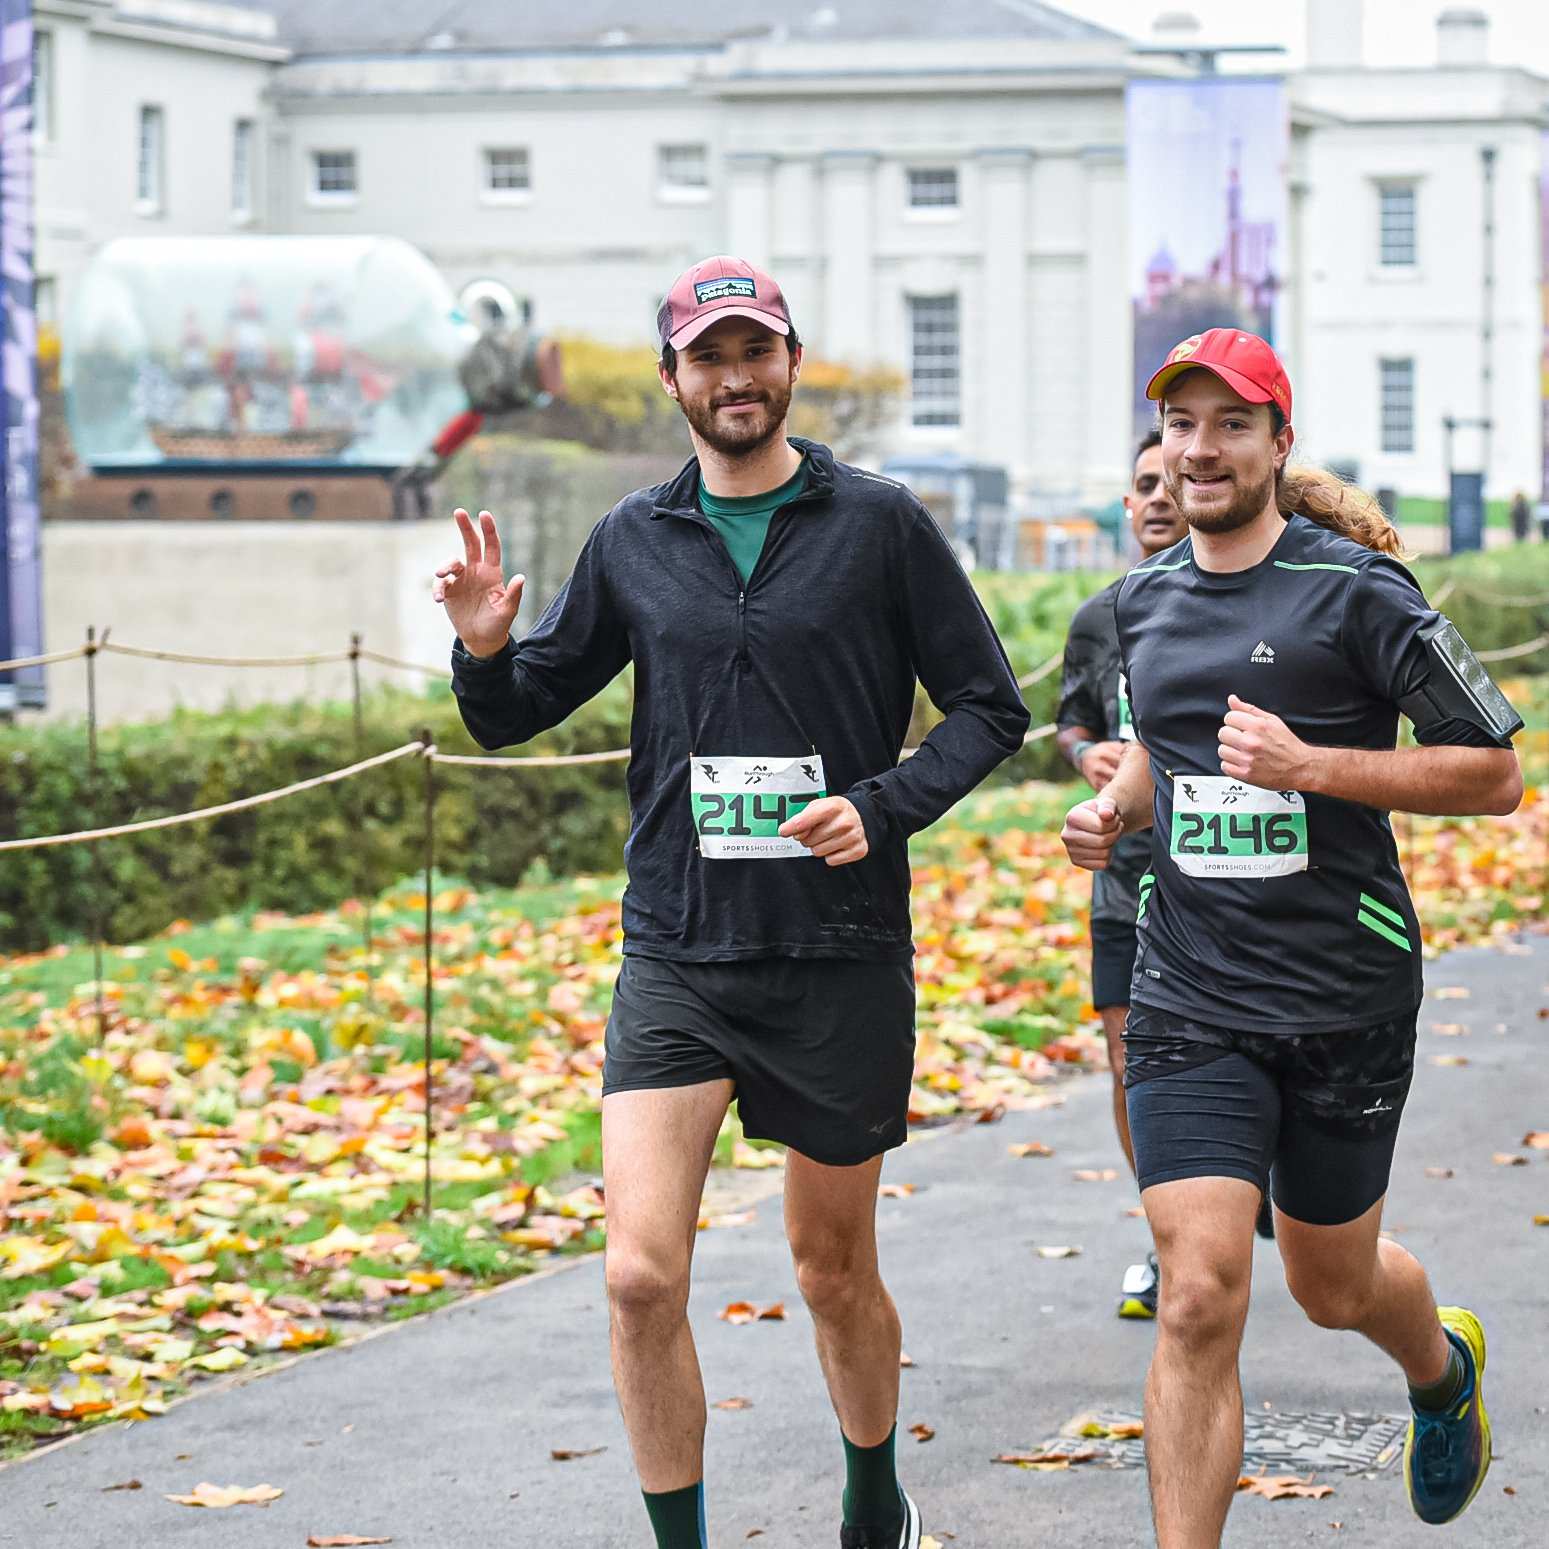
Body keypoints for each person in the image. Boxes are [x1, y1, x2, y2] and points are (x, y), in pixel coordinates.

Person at [435, 255, 1029, 1549]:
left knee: (830, 1271)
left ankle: (875, 1500)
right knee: (640, 1276)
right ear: (673, 383)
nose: (735, 378)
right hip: (680, 952)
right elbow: (522, 706)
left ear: (791, 364)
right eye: (708, 357)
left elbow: (992, 708)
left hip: (838, 950)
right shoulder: (634, 542)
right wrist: (485, 654)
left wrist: (881, 805)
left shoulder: (878, 526)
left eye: (755, 351)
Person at [1060, 327, 1523, 1547]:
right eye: (1180, 425)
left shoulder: (1359, 592)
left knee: (1332, 1285)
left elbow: (1491, 774)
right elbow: (1166, 749)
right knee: (1198, 1293)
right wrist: (1113, 805)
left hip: (1341, 993)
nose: (1199, 450)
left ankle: (1439, 1369)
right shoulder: (1139, 602)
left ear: (1279, 443)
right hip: (1190, 994)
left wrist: (1312, 763)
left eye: (1230, 424)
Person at [1055, 430, 1187, 1318]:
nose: (1158, 496)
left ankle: (1228, 1185)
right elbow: (1066, 721)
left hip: (1219, 871)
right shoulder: (1097, 617)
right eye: (1142, 483)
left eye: (1171, 480)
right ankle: (1168, 1236)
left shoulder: (1254, 601)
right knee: (1125, 1056)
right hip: (1120, 870)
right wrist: (1088, 755)